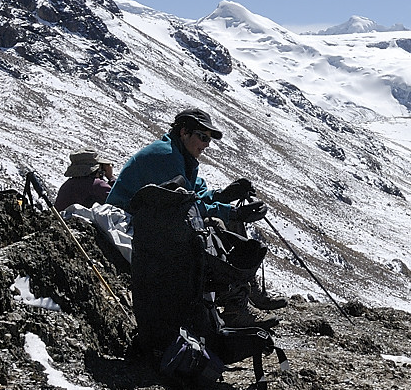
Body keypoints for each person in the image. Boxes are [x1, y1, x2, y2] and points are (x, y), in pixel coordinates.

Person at [107, 107, 283, 327]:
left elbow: (195, 195)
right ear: (184, 132)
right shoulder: (165, 156)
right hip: (131, 222)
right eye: (202, 137)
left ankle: (242, 296)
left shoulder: (180, 156)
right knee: (215, 227)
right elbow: (186, 204)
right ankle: (237, 302)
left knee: (220, 223)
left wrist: (224, 195)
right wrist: (232, 211)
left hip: (150, 220)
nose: (206, 144)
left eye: (208, 139)